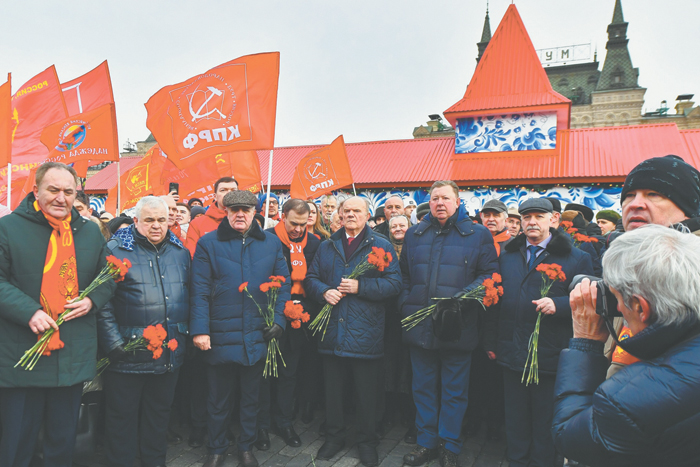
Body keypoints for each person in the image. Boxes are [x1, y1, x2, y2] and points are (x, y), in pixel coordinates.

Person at [0, 162, 116, 467]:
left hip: (70, 356)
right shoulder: (8, 228)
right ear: (36, 190)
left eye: (68, 191)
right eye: (53, 190)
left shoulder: (90, 232)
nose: (61, 197)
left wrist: (92, 299)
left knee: (63, 444)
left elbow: (108, 276)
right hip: (22, 353)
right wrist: (29, 312)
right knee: (16, 444)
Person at [554, 225, 700, 466]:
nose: (617, 308)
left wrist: (585, 344)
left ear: (641, 307)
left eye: (617, 298)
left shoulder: (629, 400)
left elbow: (569, 436)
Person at [483, 198, 593, 467]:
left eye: (539, 216)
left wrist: (561, 304)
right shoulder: (508, 253)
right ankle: (517, 460)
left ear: (554, 220)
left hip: (549, 350)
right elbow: (495, 298)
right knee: (516, 415)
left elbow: (592, 300)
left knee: (544, 416)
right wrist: (491, 340)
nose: (532, 221)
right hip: (511, 348)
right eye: (527, 216)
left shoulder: (577, 257)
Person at [400, 181, 498, 467]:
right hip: (419, 326)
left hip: (458, 325)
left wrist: (458, 301)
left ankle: (449, 446)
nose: (439, 203)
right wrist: (406, 304)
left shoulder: (477, 234)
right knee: (423, 388)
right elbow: (404, 275)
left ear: (458, 201)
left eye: (445, 198)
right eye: (434, 199)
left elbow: (489, 275)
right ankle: (426, 443)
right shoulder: (415, 234)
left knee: (454, 391)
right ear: (428, 203)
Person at [190, 190, 290, 467]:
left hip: (256, 334)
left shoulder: (270, 243)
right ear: (226, 212)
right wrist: (200, 330)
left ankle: (246, 447)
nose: (240, 214)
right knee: (218, 399)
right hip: (219, 334)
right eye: (234, 210)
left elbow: (283, 286)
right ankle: (217, 448)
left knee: (251, 398)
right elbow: (198, 290)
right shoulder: (208, 243)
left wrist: (280, 321)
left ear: (255, 212)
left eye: (246, 209)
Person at [306, 196, 402, 467]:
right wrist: (323, 291)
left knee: (366, 394)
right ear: (339, 214)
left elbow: (395, 284)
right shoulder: (327, 246)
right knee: (333, 391)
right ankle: (334, 438)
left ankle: (367, 442)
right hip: (333, 330)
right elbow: (311, 278)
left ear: (367, 214)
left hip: (365, 332)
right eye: (346, 210)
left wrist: (362, 288)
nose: (350, 215)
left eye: (356, 211)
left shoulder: (381, 245)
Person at [96, 196, 190, 467]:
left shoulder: (179, 251)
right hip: (127, 354)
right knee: (121, 420)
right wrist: (114, 343)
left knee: (159, 417)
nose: (157, 226)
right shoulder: (115, 250)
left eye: (162, 220)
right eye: (149, 220)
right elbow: (102, 302)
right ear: (136, 220)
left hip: (168, 354)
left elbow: (188, 296)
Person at [257, 199, 321, 450]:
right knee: (265, 374)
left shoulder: (314, 243)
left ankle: (284, 421)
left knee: (289, 373)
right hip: (271, 316)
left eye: (303, 224)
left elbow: (316, 278)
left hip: (299, 317)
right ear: (283, 217)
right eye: (294, 223)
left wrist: (304, 312)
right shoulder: (267, 239)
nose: (298, 229)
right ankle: (261, 424)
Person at [463, 199, 510, 442]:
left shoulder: (513, 246)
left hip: (500, 316)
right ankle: (473, 418)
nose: (491, 219)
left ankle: (494, 422)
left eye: (496, 215)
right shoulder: (474, 242)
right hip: (474, 314)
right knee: (474, 372)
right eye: (487, 214)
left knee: (495, 374)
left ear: (505, 218)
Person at [382, 215, 416, 442]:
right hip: (386, 314)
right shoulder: (382, 248)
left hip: (410, 312)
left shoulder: (415, 248)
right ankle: (388, 410)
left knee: (408, 365)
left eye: (402, 225)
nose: (398, 228)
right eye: (394, 225)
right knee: (388, 363)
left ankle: (407, 411)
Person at [185, 177, 238, 257]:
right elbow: (192, 255)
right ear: (215, 196)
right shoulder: (197, 224)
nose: (229, 193)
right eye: (223, 190)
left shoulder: (246, 221)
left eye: (233, 190)